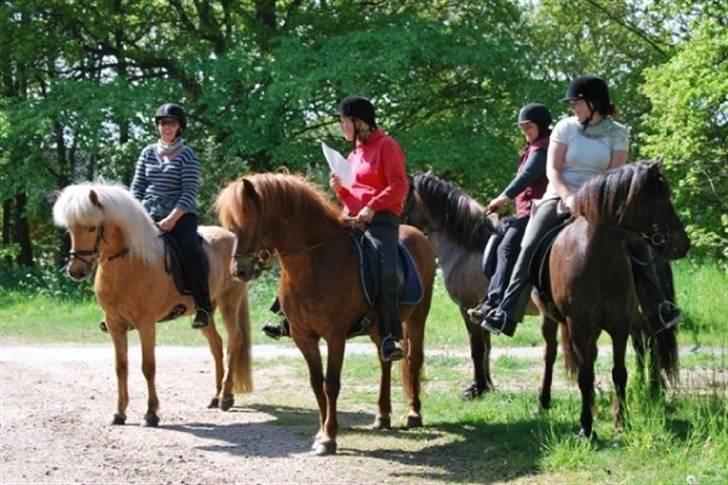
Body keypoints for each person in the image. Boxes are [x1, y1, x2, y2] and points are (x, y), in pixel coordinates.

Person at [481, 75, 681, 337]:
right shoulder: (565, 128)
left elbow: (614, 173)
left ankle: (658, 307)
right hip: (560, 196)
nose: (572, 108)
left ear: (594, 102)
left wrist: (591, 201)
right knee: (528, 244)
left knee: (638, 243)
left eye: (576, 102)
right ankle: (506, 310)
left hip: (602, 202)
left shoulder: (619, 132)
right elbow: (553, 170)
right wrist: (570, 198)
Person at [330, 95, 409, 362]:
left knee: (386, 271)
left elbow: (399, 185)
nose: (342, 127)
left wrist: (372, 207)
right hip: (352, 218)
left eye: (344, 121)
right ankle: (285, 314)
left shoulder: (387, 146)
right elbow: (353, 198)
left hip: (382, 220)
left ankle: (389, 336)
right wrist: (341, 191)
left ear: (359, 122)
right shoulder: (353, 155)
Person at [467, 103, 551, 325]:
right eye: (523, 128)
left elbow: (526, 178)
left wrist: (503, 197)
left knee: (507, 247)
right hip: (524, 211)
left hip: (538, 211)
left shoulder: (543, 148)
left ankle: (494, 305)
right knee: (497, 241)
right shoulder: (532, 147)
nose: (526, 133)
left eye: (529, 127)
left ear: (541, 126)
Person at [131, 102, 212, 329]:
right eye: (163, 123)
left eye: (172, 123)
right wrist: (133, 213)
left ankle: (203, 306)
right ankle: (117, 305)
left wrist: (171, 220)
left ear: (180, 127)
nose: (167, 127)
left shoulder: (188, 156)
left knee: (189, 248)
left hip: (180, 215)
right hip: (147, 213)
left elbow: (189, 192)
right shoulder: (147, 153)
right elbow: (137, 187)